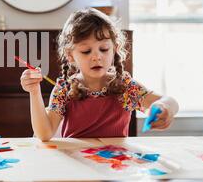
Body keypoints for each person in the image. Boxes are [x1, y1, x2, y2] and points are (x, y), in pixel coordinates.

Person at [20, 8, 179, 141]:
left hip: (115, 167)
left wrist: (164, 107)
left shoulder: (125, 86)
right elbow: (44, 134)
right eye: (86, 51)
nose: (96, 57)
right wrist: (34, 92)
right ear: (70, 55)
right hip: (76, 168)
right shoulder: (64, 88)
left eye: (103, 49)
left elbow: (169, 100)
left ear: (115, 49)